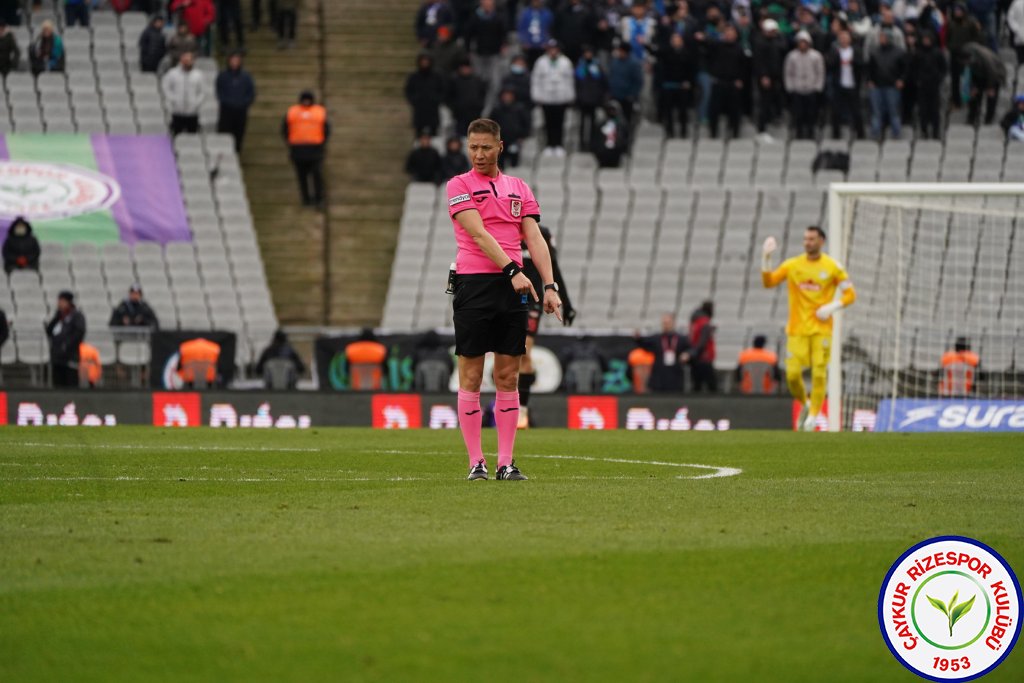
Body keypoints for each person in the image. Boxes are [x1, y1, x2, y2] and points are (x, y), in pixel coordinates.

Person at [447, 117, 561, 480]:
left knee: (508, 376)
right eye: (473, 147)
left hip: (512, 288)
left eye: (485, 147)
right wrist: (513, 271)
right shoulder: (458, 184)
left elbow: (535, 238)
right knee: (471, 375)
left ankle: (505, 462)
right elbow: (478, 235)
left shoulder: (519, 187)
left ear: (500, 146)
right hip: (474, 284)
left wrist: (550, 285)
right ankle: (475, 462)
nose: (478, 155)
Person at [761, 226, 857, 431]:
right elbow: (768, 282)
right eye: (805, 239)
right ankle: (805, 404)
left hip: (822, 329)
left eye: (812, 239)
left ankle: (813, 417)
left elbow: (850, 294)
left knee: (819, 374)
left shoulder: (833, 267)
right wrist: (766, 258)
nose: (807, 242)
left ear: (821, 241)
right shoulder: (793, 265)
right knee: (793, 375)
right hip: (796, 329)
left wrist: (832, 307)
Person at [518, 224, 574, 428]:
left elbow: (553, 267)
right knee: (504, 357)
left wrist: (566, 302)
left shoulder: (541, 233)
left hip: (530, 301)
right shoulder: (504, 229)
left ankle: (521, 411)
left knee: (524, 352)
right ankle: (506, 406)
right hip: (506, 298)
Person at [282, 90, 330, 208]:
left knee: (316, 176)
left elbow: (326, 129)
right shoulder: (293, 112)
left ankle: (318, 198)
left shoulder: (319, 112)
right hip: (298, 150)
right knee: (302, 177)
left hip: (314, 150)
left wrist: (322, 144)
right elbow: (285, 129)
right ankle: (306, 199)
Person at [531, 39, 575, 156]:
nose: (553, 51)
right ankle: (549, 145)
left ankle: (559, 145)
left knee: (559, 123)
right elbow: (536, 80)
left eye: (555, 49)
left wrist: (570, 96)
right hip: (546, 98)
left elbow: (570, 80)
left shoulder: (565, 62)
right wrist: (536, 95)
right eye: (551, 49)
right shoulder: (541, 62)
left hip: (561, 98)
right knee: (548, 122)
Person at [655, 31, 696, 139]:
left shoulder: (687, 54)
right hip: (668, 85)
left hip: (682, 86)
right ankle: (670, 132)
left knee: (683, 111)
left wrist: (689, 82)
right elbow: (655, 53)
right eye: (674, 40)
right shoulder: (666, 53)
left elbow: (691, 70)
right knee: (668, 111)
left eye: (678, 39)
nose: (676, 42)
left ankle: (683, 132)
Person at [707, 24, 745, 139]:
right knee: (714, 110)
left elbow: (744, 66)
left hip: (733, 83)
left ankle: (735, 133)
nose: (729, 35)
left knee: (735, 111)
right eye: (727, 32)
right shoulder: (717, 46)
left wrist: (740, 79)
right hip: (718, 81)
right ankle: (713, 133)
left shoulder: (739, 48)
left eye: (732, 33)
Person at [784, 31, 824, 140]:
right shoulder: (791, 56)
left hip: (811, 89)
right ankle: (799, 133)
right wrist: (790, 87)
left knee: (811, 114)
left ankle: (811, 133)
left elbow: (820, 72)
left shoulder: (816, 56)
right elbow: (788, 73)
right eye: (800, 42)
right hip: (797, 89)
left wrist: (817, 87)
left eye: (804, 42)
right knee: (798, 114)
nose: (803, 45)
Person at [867, 29, 906, 140]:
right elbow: (870, 69)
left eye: (883, 37)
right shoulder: (874, 52)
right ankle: (875, 133)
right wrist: (870, 80)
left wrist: (901, 80)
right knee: (876, 112)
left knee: (893, 111)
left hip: (892, 86)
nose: (881, 39)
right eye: (880, 37)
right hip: (877, 86)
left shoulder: (899, 52)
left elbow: (905, 69)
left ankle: (896, 133)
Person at [826, 29, 865, 140]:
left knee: (856, 111)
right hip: (839, 85)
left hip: (852, 85)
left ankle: (860, 134)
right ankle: (836, 134)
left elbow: (861, 65)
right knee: (836, 111)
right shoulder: (835, 51)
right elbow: (830, 65)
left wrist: (852, 62)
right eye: (841, 38)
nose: (843, 40)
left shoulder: (856, 51)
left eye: (845, 38)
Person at [216, 51, 257, 153]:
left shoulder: (246, 77)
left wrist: (243, 103)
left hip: (241, 111)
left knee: (239, 135)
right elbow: (219, 92)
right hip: (226, 111)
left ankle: (237, 153)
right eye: (232, 60)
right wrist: (228, 103)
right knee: (224, 135)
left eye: (237, 61)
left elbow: (251, 93)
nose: (234, 63)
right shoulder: (223, 76)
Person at [753, 18, 787, 136]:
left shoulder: (777, 41)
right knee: (764, 102)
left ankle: (775, 119)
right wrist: (763, 76)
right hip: (766, 78)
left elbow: (783, 48)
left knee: (777, 100)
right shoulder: (760, 42)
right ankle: (761, 129)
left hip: (777, 77)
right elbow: (759, 62)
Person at [46, 291, 86, 388]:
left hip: (70, 359)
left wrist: (66, 345)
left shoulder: (77, 316)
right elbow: (49, 331)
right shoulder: (59, 316)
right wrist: (56, 317)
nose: (59, 303)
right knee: (58, 386)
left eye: (62, 301)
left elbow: (79, 333)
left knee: (71, 387)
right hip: (57, 359)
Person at [910, 31, 946, 140]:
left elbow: (943, 68)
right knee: (923, 110)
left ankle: (936, 132)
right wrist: (917, 80)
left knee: (935, 110)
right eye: (924, 39)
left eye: (928, 39)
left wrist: (939, 78)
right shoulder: (918, 53)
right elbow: (913, 68)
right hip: (922, 86)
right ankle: (924, 131)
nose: (926, 41)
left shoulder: (938, 52)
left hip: (934, 86)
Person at [641, 313, 690, 392]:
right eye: (664, 323)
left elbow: (691, 349)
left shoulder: (682, 339)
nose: (666, 325)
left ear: (673, 323)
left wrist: (687, 354)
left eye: (668, 323)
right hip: (659, 376)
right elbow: (642, 343)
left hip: (675, 375)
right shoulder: (656, 338)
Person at [162, 51, 205, 135]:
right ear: (181, 60)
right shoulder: (172, 73)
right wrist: (173, 99)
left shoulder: (198, 75)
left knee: (192, 138)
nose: (187, 62)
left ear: (192, 61)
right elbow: (165, 87)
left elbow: (202, 92)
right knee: (176, 136)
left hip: (192, 113)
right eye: (185, 59)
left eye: (189, 60)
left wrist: (196, 103)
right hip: (177, 112)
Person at [487, 87, 531, 169]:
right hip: (500, 141)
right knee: (500, 163)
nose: (507, 97)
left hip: (515, 140)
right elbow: (489, 124)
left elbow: (526, 123)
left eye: (509, 95)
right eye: (505, 95)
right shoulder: (496, 109)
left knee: (514, 163)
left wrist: (522, 136)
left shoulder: (520, 108)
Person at [404, 53, 446, 137]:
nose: (425, 63)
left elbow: (443, 90)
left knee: (434, 135)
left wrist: (436, 100)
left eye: (426, 61)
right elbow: (408, 91)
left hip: (433, 110)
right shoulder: (414, 77)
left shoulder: (437, 76)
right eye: (423, 61)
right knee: (418, 134)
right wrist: (414, 100)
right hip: (419, 110)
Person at [574, 45, 607, 149]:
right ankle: (582, 144)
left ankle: (592, 143)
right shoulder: (580, 66)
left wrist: (601, 98)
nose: (588, 55)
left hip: (594, 99)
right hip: (583, 99)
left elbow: (602, 83)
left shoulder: (597, 66)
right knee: (582, 123)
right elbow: (576, 83)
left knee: (593, 123)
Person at [446, 59, 488, 138]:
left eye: (467, 67)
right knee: (460, 137)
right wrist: (455, 107)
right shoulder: (454, 80)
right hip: (459, 116)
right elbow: (449, 96)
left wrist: (479, 106)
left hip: (474, 115)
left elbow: (483, 95)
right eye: (463, 68)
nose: (465, 70)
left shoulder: (477, 80)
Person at [688, 300, 716, 392]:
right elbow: (702, 341)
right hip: (704, 357)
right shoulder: (704, 322)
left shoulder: (695, 322)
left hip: (696, 357)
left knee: (696, 385)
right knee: (711, 386)